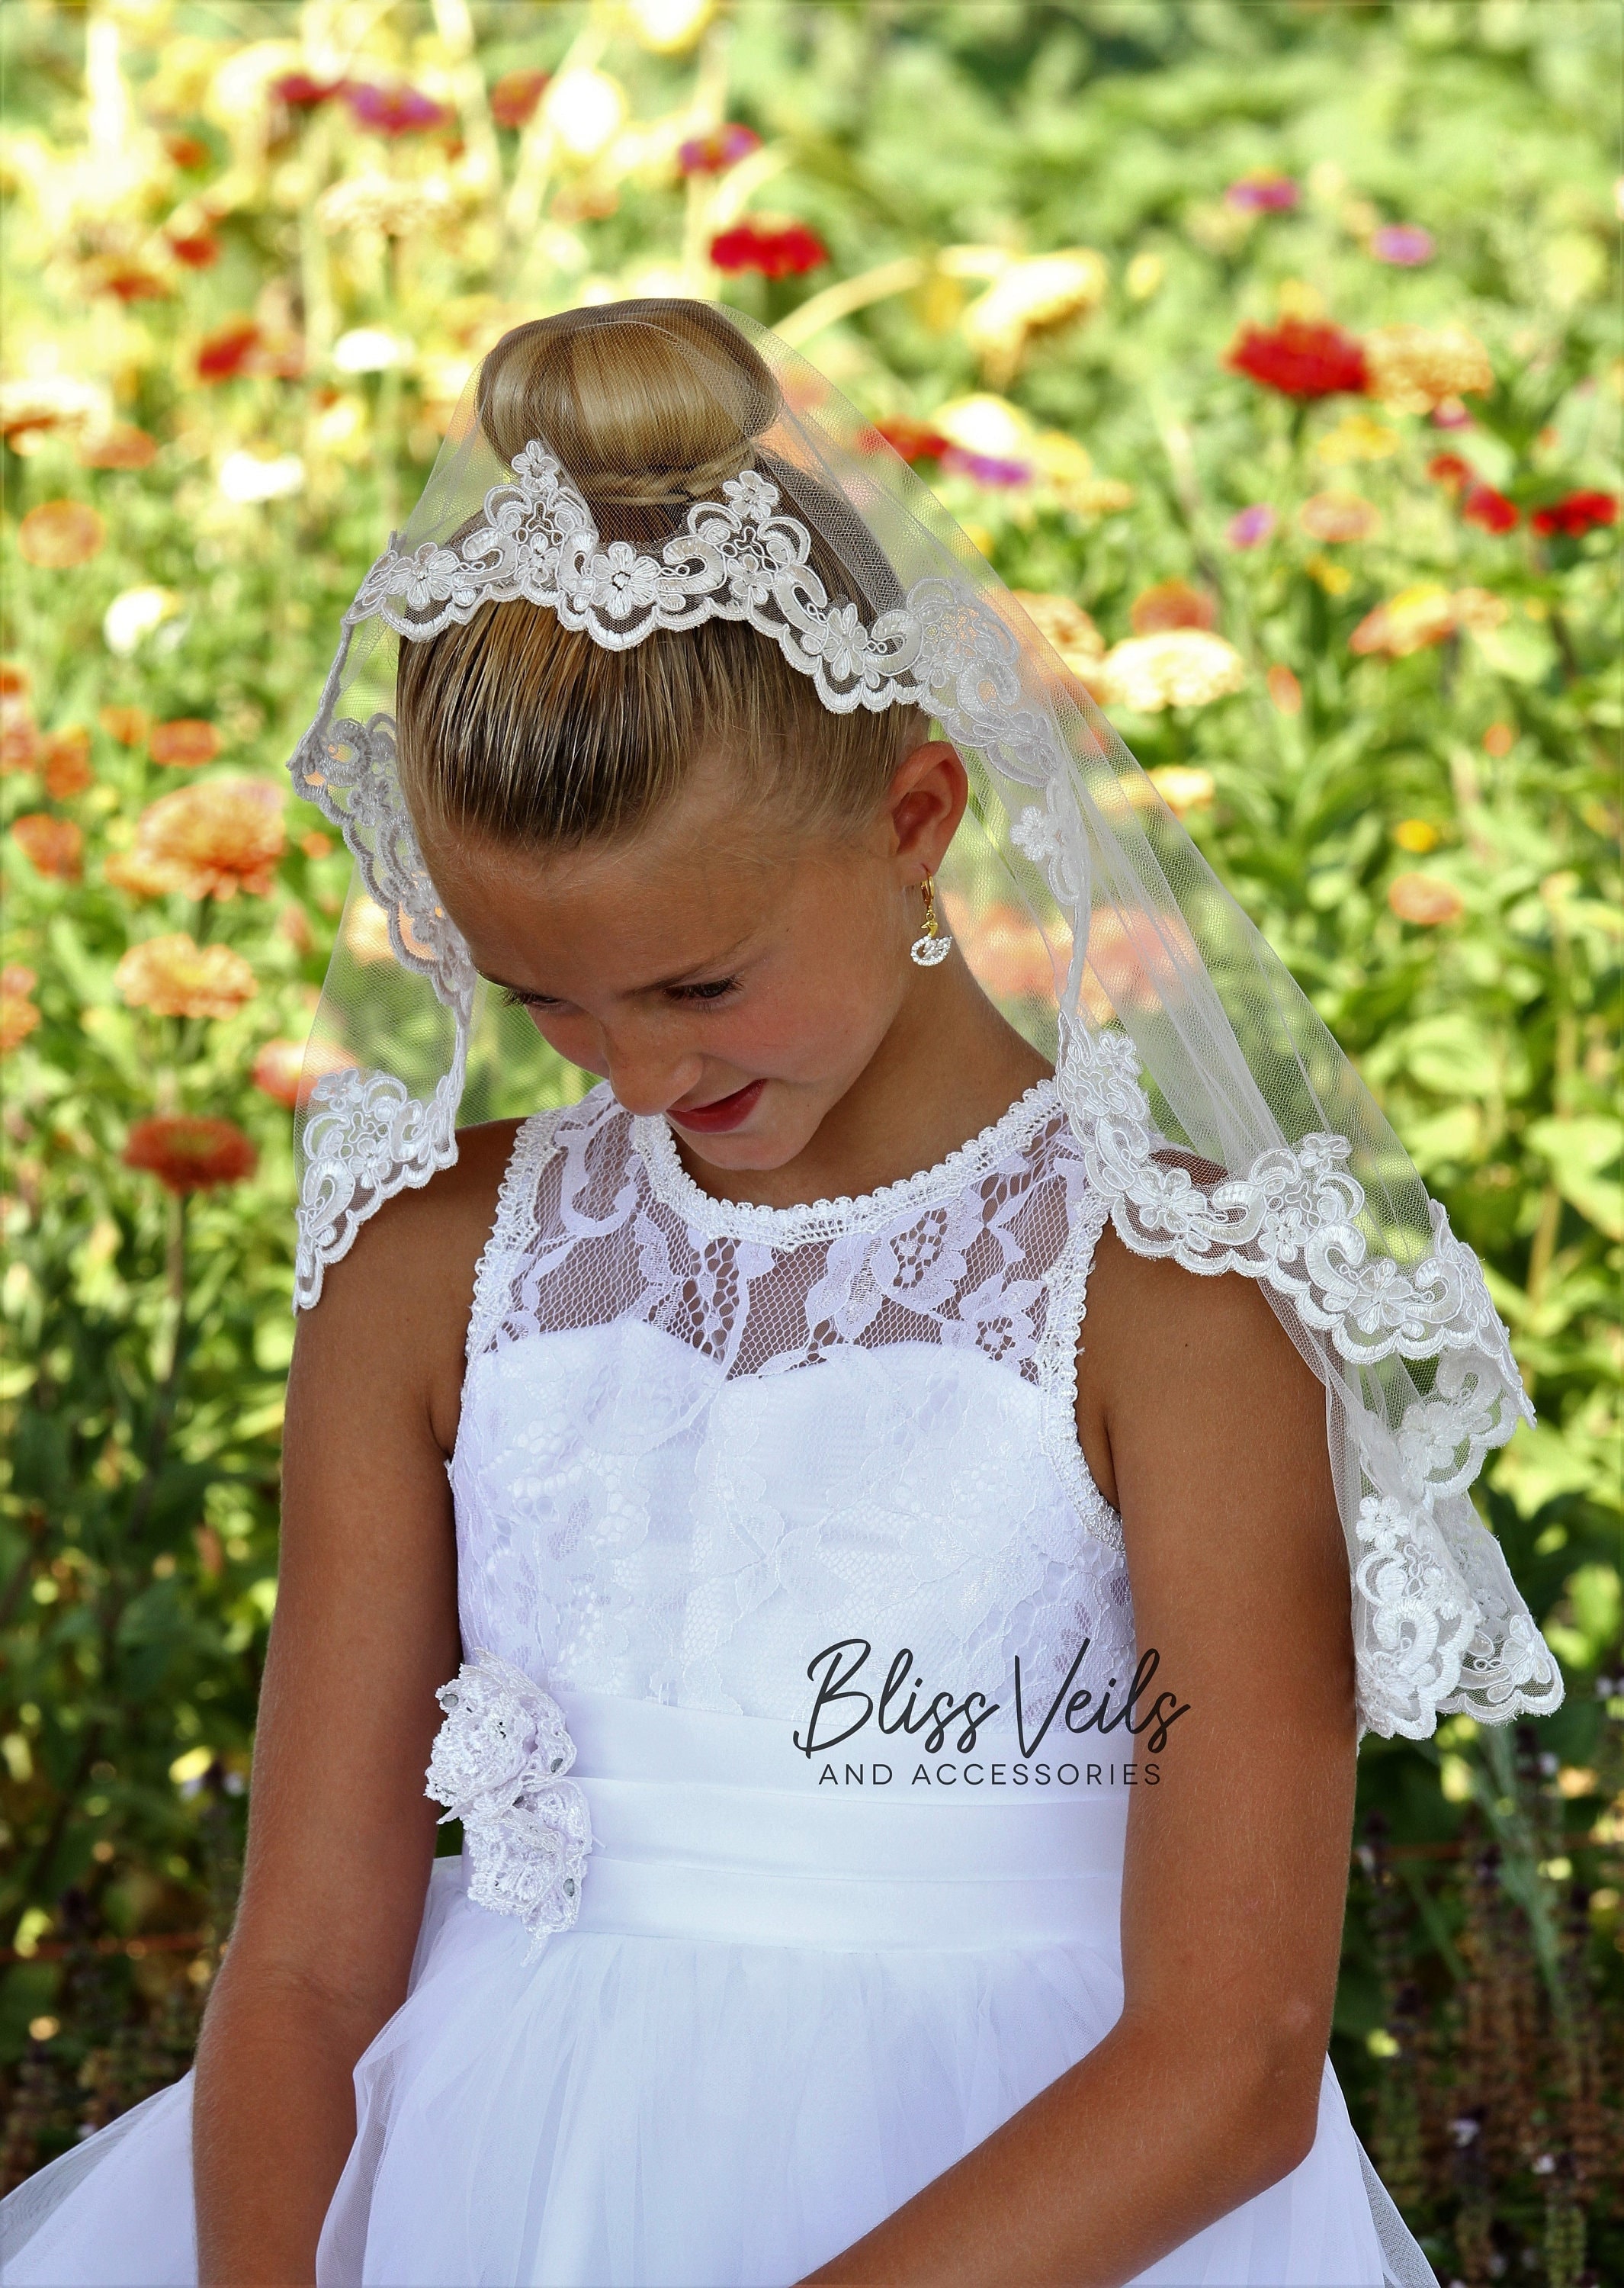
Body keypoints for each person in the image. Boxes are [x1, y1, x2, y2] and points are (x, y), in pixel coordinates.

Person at [1, 299, 1560, 2288]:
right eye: (546, 999)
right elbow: (302, 1962)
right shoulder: (425, 1274)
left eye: (698, 985)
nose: (635, 1076)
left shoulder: (1175, 1305)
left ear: (916, 822)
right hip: (479, 2193)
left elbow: (1232, 2054)